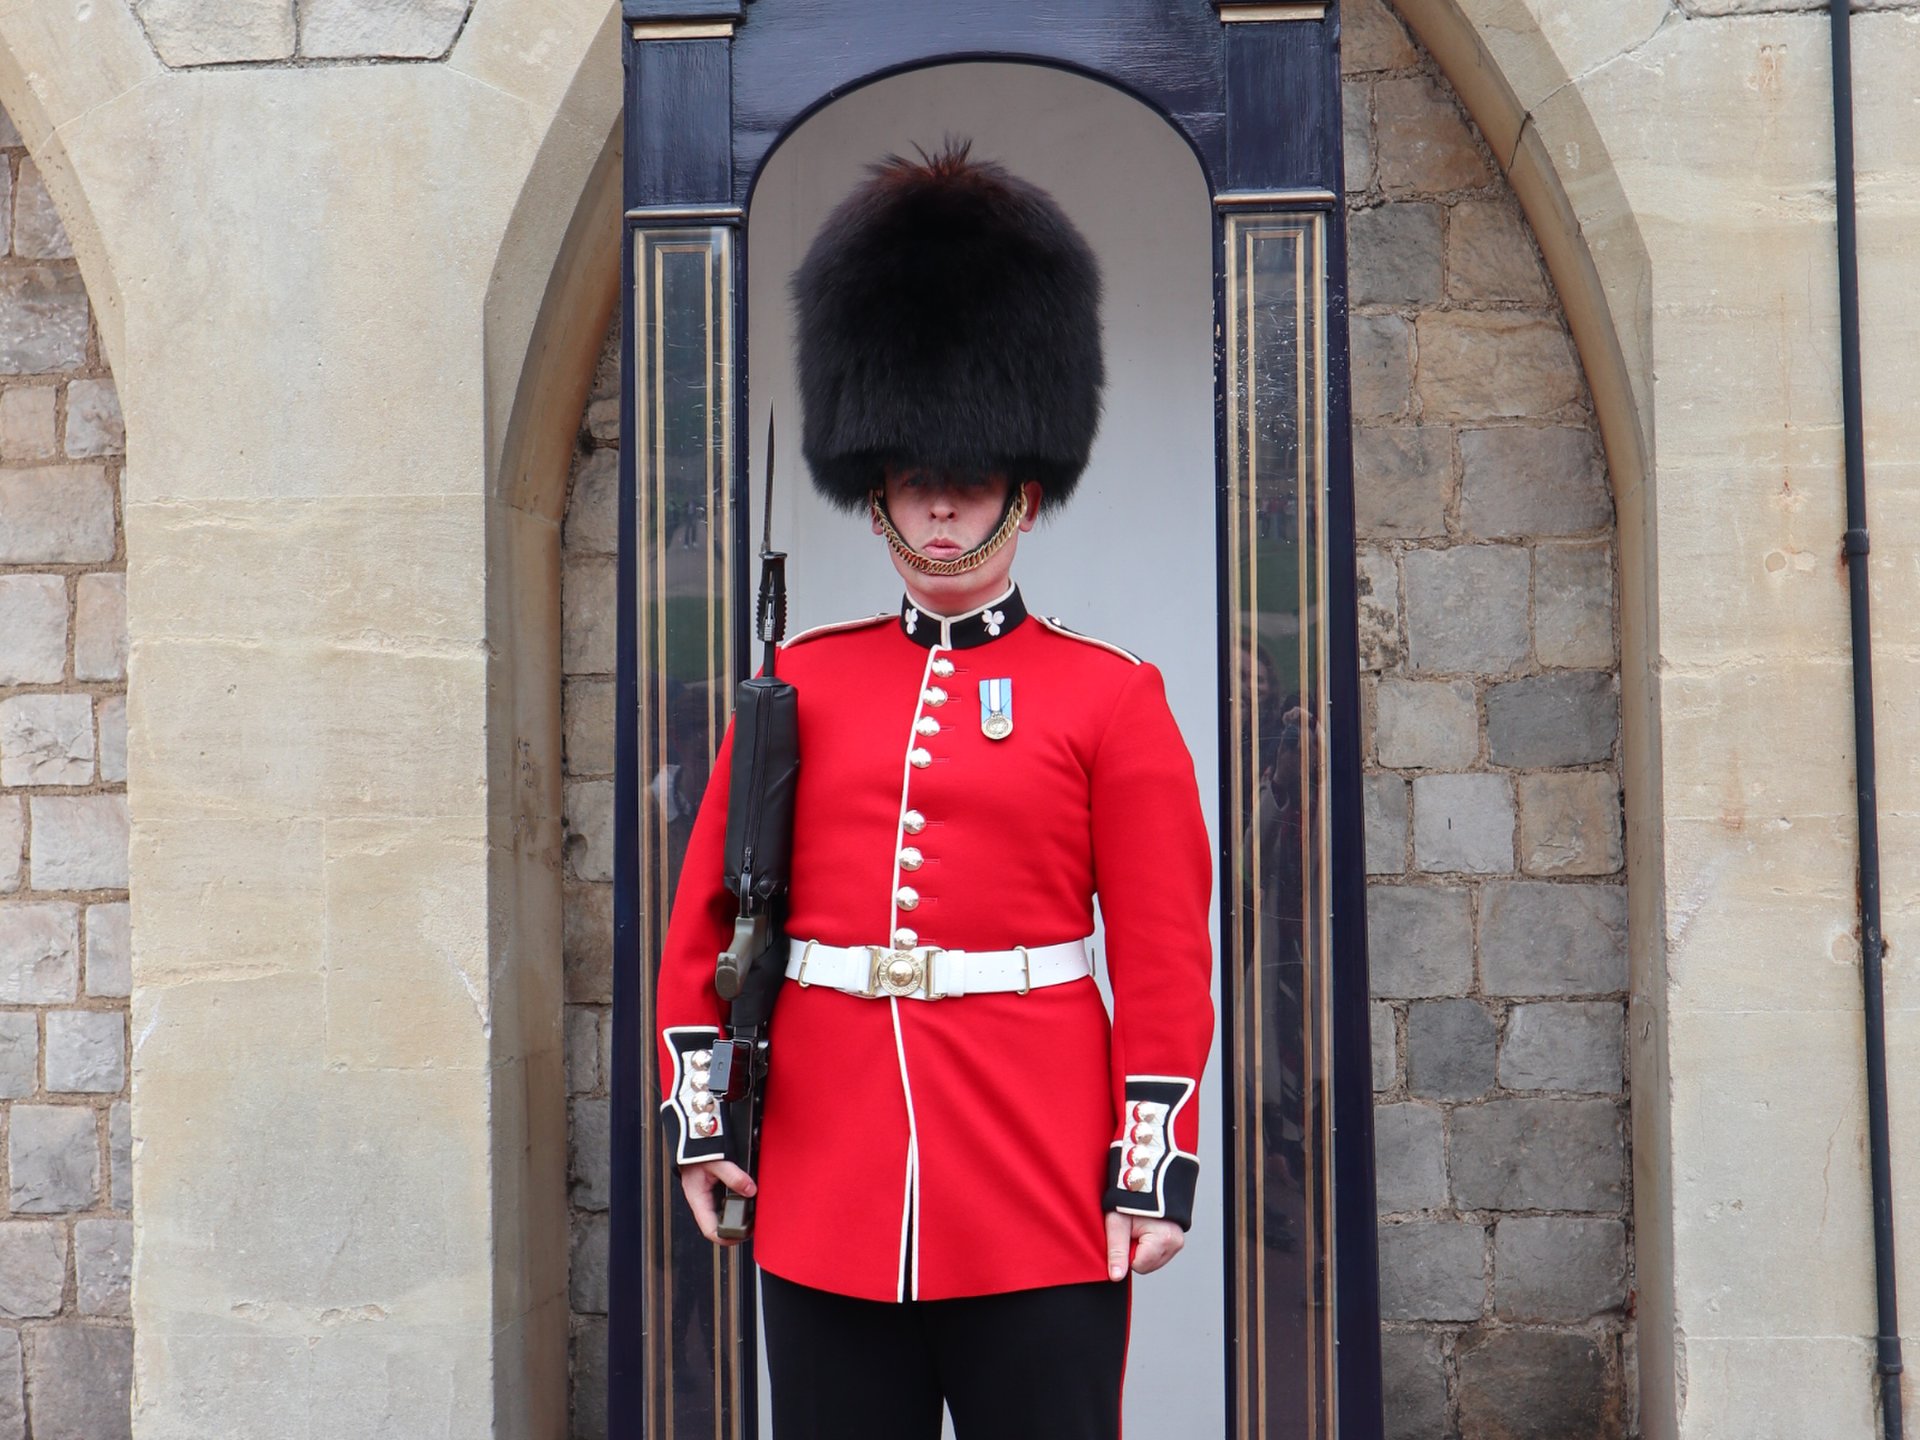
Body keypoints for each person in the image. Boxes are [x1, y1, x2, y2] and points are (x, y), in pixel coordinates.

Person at [653, 140, 1215, 1440]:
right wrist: (701, 1116)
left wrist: (1152, 1166)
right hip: (827, 1180)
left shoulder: (1109, 696)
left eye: (969, 485)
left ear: (1025, 490)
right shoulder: (799, 686)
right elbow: (708, 921)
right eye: (918, 484)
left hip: (1038, 1184)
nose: (945, 514)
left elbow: (1164, 957)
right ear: (877, 499)